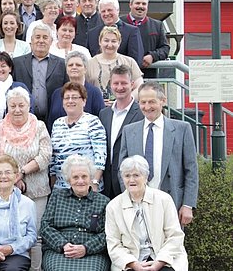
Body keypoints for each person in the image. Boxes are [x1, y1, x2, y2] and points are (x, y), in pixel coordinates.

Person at [0, 87, 52, 271]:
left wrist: (20, 172)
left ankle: (35, 269)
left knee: (34, 235)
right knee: (4, 234)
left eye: (21, 105)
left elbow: (46, 155)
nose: (17, 109)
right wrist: (11, 177)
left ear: (28, 105)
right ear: (7, 106)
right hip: (3, 188)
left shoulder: (39, 126)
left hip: (36, 189)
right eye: (12, 105)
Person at [119, 81, 199, 226]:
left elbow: (191, 170)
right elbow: (122, 169)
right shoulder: (129, 131)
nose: (147, 107)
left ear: (163, 101)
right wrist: (127, 198)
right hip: (137, 203)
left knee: (170, 247)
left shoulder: (182, 129)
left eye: (152, 102)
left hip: (172, 202)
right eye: (143, 102)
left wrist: (188, 204)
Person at [105, 155, 188, 271]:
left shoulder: (164, 200)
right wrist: (134, 264)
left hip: (163, 259)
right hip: (132, 262)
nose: (131, 180)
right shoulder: (113, 207)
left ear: (146, 177)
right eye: (127, 176)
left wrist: (158, 263)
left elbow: (175, 236)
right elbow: (114, 244)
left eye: (136, 175)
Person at [41, 154, 111, 271]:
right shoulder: (57, 196)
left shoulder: (103, 201)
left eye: (84, 176)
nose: (80, 181)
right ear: (68, 180)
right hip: (60, 250)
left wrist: (86, 248)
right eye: (75, 177)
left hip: (93, 253)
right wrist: (63, 245)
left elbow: (108, 233)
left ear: (90, 178)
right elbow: (45, 226)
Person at [49, 82, 106, 191]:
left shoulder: (93, 122)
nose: (70, 101)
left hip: (86, 187)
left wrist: (94, 182)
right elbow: (53, 156)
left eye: (75, 97)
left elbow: (100, 156)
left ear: (84, 101)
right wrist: (53, 180)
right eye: (67, 98)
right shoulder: (57, 123)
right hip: (61, 188)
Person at [99, 65, 144, 200]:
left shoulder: (141, 113)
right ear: (110, 85)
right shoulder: (104, 113)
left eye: (124, 83)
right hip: (107, 181)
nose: (119, 87)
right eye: (116, 83)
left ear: (132, 84)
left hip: (131, 179)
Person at [13, 23, 68, 122]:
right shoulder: (17, 63)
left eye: (45, 37)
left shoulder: (61, 64)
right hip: (24, 119)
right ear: (31, 40)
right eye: (37, 37)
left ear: (51, 41)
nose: (41, 41)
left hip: (53, 118)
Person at [47, 51, 104, 131]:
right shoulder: (57, 93)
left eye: (78, 65)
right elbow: (50, 122)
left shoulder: (95, 92)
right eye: (70, 65)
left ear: (85, 69)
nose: (74, 67)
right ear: (66, 70)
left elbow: (100, 120)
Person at [121, 0, 170, 78]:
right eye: (137, 3)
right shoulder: (120, 24)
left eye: (144, 4)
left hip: (148, 76)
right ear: (130, 4)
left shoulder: (157, 25)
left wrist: (153, 56)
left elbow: (165, 48)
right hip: (123, 75)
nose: (140, 6)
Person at [87, 26, 143, 100]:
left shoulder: (129, 61)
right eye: (106, 41)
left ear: (119, 43)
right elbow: (85, 88)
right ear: (100, 42)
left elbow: (139, 85)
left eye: (113, 41)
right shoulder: (89, 64)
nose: (109, 45)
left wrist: (127, 100)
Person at [86, 0, 144, 66]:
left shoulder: (132, 31)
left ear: (118, 10)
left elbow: (136, 61)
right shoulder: (92, 33)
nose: (106, 13)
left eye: (110, 10)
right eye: (103, 11)